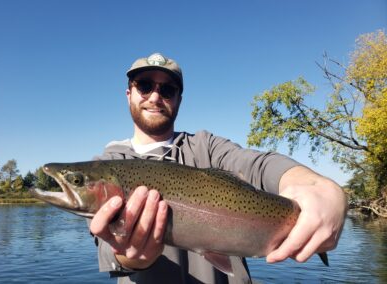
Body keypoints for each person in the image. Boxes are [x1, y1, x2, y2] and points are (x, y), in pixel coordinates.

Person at [89, 53, 347, 284]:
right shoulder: (110, 162)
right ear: (128, 93)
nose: (155, 96)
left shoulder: (206, 146)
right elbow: (104, 245)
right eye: (144, 86)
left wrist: (317, 186)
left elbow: (259, 164)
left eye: (167, 90)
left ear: (179, 99)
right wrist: (129, 259)